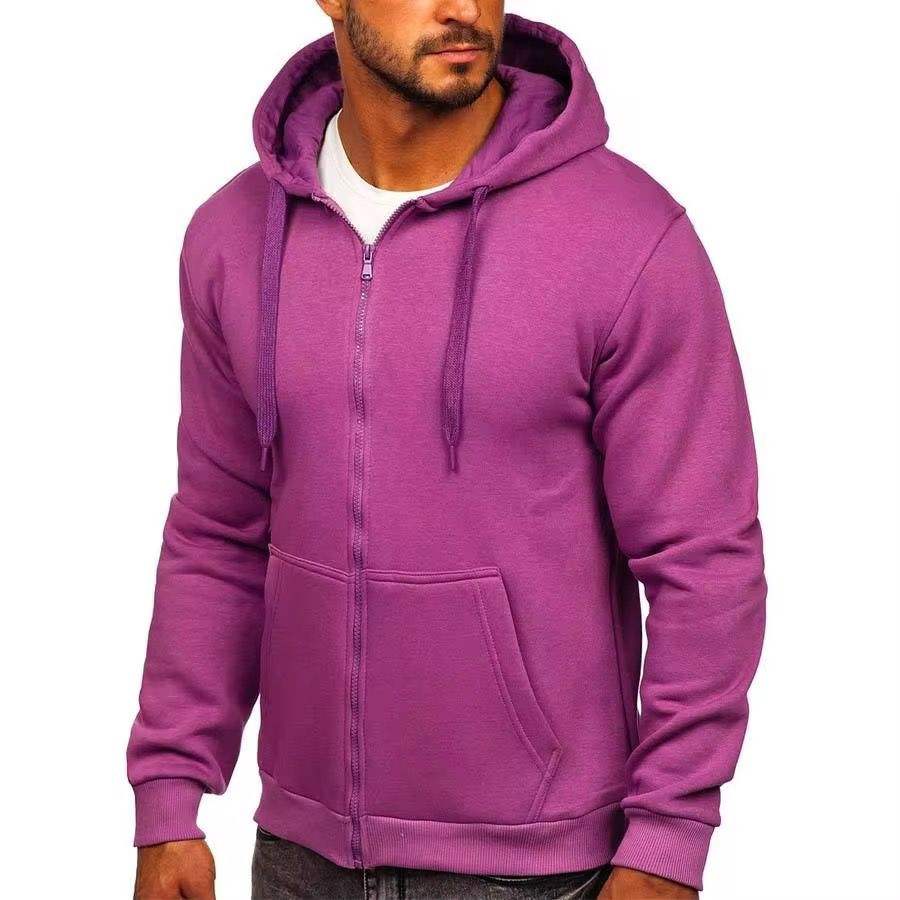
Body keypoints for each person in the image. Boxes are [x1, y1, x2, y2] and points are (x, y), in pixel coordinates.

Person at [127, 2, 766, 898]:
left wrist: (669, 838)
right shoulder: (233, 236)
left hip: (538, 870)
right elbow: (215, 532)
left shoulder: (628, 237)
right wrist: (169, 794)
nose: (465, 7)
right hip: (298, 856)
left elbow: (706, 560)